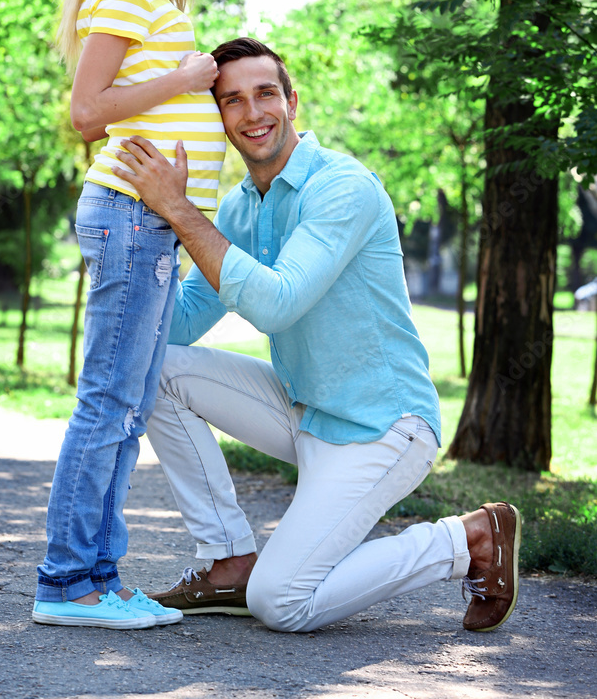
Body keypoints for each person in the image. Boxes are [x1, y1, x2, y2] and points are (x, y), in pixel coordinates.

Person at [113, 37, 521, 635]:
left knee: (282, 604)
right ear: (217, 116)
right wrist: (126, 254)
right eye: (232, 101)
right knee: (158, 367)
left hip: (381, 426)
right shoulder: (238, 208)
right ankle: (228, 558)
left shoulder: (342, 187)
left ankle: (466, 539)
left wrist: (178, 210)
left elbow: (278, 303)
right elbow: (183, 319)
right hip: (303, 410)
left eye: (266, 94)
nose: (253, 113)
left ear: (292, 101)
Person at [33, 0, 226, 630]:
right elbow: (87, 110)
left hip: (150, 224)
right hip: (129, 217)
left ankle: (101, 579)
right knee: (109, 402)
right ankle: (68, 583)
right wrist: (184, 79)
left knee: (128, 405)